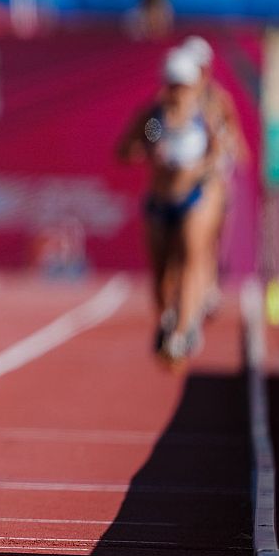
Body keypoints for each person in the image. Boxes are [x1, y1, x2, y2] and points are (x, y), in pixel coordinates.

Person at [116, 49, 225, 362]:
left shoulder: (204, 116)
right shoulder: (154, 118)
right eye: (173, 84)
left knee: (191, 258)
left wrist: (197, 171)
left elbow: (218, 152)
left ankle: (183, 329)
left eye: (184, 84)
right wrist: (150, 153)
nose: (178, 91)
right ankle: (167, 318)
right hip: (160, 201)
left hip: (192, 199)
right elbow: (130, 148)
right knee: (162, 271)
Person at [180, 35, 247, 318]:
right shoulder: (174, 97)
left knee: (212, 235)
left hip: (212, 175)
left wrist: (231, 151)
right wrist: (153, 141)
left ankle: (207, 286)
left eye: (199, 67)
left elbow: (233, 133)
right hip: (180, 176)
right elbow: (154, 125)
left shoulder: (219, 99)